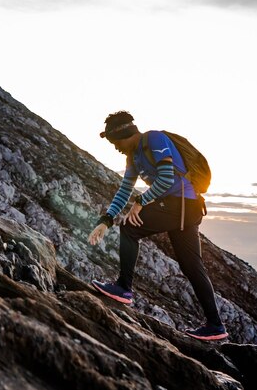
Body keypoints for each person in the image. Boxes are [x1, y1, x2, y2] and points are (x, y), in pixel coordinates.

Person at [87, 111, 228, 341]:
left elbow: (167, 179)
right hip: (183, 207)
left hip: (183, 204)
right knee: (191, 265)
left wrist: (140, 202)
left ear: (124, 133)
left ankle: (123, 287)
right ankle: (216, 325)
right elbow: (124, 190)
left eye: (115, 142)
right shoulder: (133, 157)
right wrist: (106, 220)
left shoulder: (154, 139)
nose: (116, 148)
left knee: (130, 228)